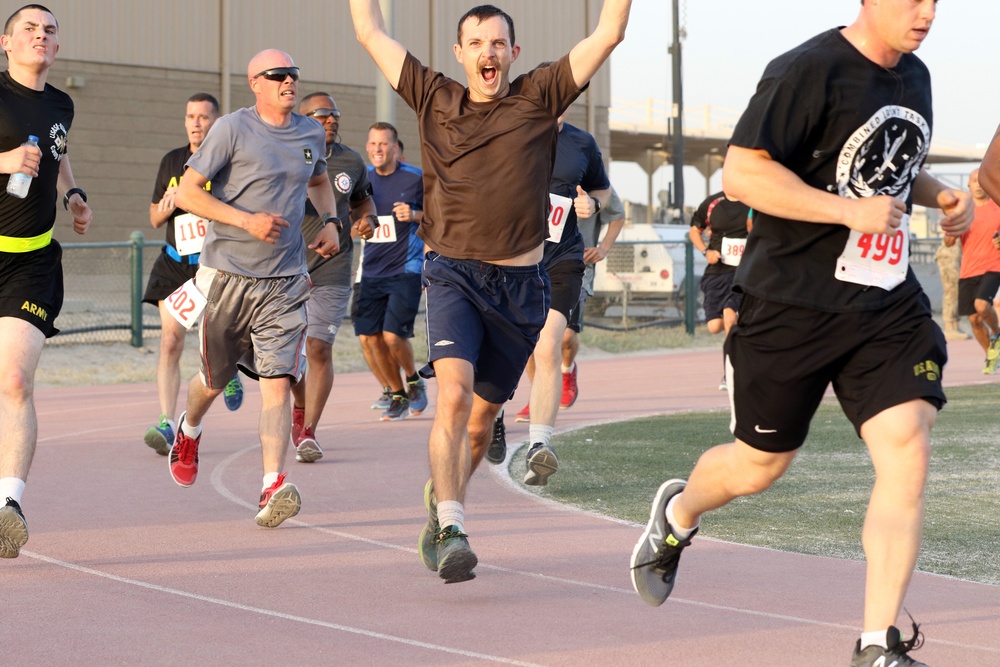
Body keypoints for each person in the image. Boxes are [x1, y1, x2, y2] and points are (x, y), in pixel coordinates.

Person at [628, 2, 972, 666]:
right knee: (757, 468)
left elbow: (886, 167)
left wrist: (940, 197)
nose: (925, 11)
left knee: (908, 445)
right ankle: (677, 515)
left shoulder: (916, 77)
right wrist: (850, 212)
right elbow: (744, 172)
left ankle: (876, 644)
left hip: (883, 306)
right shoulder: (806, 70)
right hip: (790, 302)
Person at [350, 0, 632, 583]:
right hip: (452, 273)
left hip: (522, 285)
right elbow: (368, 28)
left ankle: (442, 496)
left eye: (498, 43)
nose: (488, 53)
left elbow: (609, 31)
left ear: (513, 53)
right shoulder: (433, 97)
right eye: (476, 43)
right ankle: (453, 526)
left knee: (480, 426)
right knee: (451, 396)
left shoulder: (539, 96)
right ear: (460, 54)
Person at [169, 49, 340, 528]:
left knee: (278, 384)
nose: (289, 81)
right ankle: (191, 427)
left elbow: (320, 181)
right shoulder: (231, 129)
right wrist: (247, 220)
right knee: (213, 381)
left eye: (294, 74)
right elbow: (187, 193)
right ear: (256, 83)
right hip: (228, 275)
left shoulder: (309, 132)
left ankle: (271, 484)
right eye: (278, 75)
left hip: (284, 281)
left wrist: (329, 221)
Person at [0, 4, 93, 558]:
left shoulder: (62, 103)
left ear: (56, 48)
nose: (41, 36)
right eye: (29, 28)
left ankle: (8, 505)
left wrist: (73, 193)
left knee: (14, 380)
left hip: (32, 262)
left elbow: (58, 152)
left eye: (50, 30)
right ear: (6, 42)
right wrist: (5, 157)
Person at [501, 114, 611, 484]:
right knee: (508, 346)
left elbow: (601, 191)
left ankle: (539, 446)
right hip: (512, 259)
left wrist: (592, 207)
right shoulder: (512, 129)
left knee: (548, 345)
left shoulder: (582, 143)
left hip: (562, 259)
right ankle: (495, 415)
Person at [142, 93, 245, 457]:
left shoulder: (228, 161)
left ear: (217, 122)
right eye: (190, 116)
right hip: (174, 263)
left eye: (203, 117)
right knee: (170, 341)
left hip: (214, 264)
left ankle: (229, 372)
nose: (196, 122)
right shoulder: (172, 160)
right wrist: (170, 204)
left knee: (216, 339)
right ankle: (166, 422)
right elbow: (154, 218)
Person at [289, 92, 377, 462]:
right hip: (287, 265)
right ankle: (299, 405)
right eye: (322, 115)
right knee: (288, 354)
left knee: (319, 348)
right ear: (304, 118)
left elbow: (362, 200)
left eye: (335, 114)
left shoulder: (351, 160)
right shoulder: (287, 151)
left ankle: (308, 431)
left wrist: (366, 219)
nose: (331, 120)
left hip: (334, 266)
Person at [353, 121, 428, 422]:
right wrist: (357, 226)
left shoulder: (415, 178)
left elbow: (442, 215)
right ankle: (397, 393)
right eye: (372, 144)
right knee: (367, 338)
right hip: (371, 270)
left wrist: (414, 214)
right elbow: (352, 219)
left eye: (383, 144)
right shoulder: (364, 179)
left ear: (396, 149)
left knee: (392, 336)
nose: (377, 149)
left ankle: (413, 379)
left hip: (406, 268)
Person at [688, 191, 753, 391]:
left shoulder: (754, 200)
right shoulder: (712, 203)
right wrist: (706, 251)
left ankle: (730, 374)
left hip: (743, 273)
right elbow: (694, 231)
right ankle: (742, 335)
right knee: (715, 326)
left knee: (729, 318)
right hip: (717, 272)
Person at [941, 168, 1000, 374]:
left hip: (994, 266)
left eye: (979, 180)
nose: (977, 184)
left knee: (982, 306)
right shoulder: (964, 211)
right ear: (968, 186)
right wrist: (951, 229)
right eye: (973, 180)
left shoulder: (997, 206)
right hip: (968, 269)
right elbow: (948, 242)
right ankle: (991, 357)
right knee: (974, 319)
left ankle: (997, 334)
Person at [934, 236, 967, 341]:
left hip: (957, 253)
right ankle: (949, 327)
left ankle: (956, 325)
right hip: (949, 255)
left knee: (958, 291)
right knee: (951, 291)